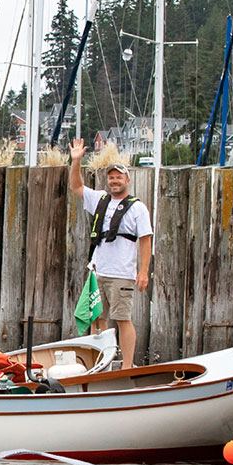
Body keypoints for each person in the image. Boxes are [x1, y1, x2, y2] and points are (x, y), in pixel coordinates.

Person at [68, 137, 153, 370]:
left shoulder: (137, 207)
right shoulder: (99, 199)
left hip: (122, 273)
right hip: (98, 270)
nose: (114, 181)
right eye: (111, 177)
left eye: (119, 177)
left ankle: (126, 366)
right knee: (98, 317)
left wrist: (143, 271)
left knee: (123, 318)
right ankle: (103, 363)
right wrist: (76, 161)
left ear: (127, 179)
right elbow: (76, 186)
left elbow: (145, 240)